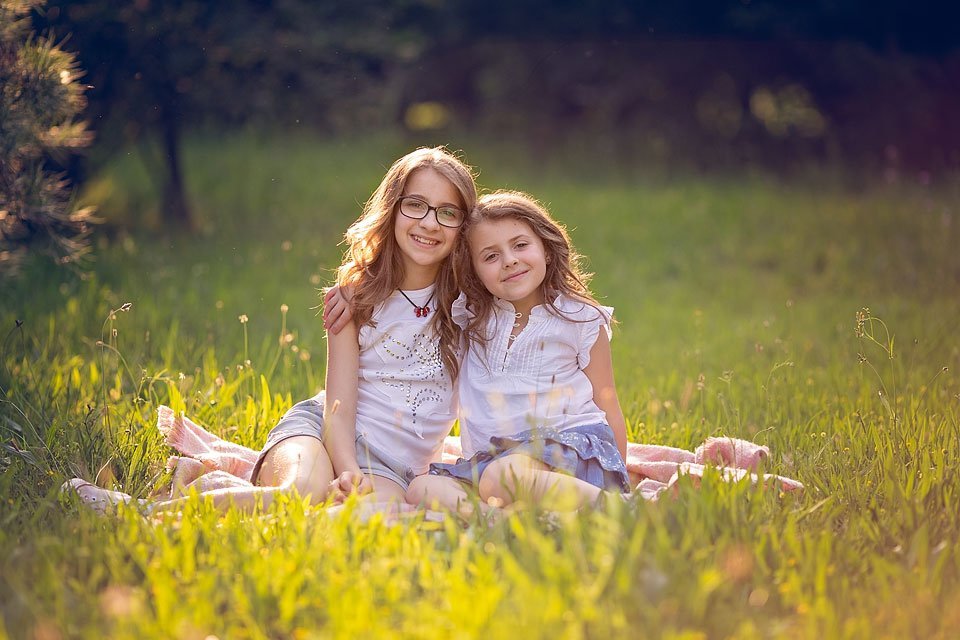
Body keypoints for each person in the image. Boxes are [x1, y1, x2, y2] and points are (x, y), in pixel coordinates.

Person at [64, 147, 477, 512]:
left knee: (357, 518)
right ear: (393, 209)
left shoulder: (472, 308)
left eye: (447, 212)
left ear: (464, 225)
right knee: (299, 494)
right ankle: (142, 514)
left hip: (396, 467)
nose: (429, 223)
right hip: (321, 434)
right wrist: (347, 470)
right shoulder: (357, 297)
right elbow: (338, 408)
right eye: (416, 205)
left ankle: (215, 501)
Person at [405, 191, 630, 516]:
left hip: (569, 449)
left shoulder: (579, 318)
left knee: (501, 478)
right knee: (421, 488)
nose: (509, 260)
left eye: (520, 245)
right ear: (474, 271)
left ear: (546, 250)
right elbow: (410, 286)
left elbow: (608, 402)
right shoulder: (469, 316)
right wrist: (352, 292)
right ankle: (499, 520)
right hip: (493, 463)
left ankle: (621, 507)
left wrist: (619, 472)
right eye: (490, 256)